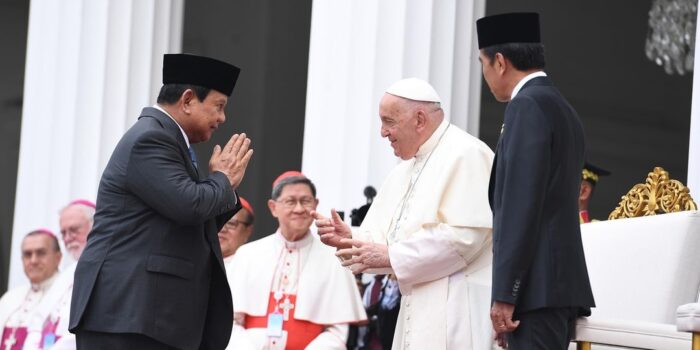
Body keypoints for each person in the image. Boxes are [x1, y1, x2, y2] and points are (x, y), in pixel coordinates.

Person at [69, 53, 253, 350]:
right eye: (218, 107)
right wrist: (222, 179)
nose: (222, 118)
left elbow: (189, 219)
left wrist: (221, 185)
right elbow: (189, 206)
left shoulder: (169, 140)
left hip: (145, 317)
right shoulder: (151, 138)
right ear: (188, 100)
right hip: (129, 316)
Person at [314, 78, 495, 349]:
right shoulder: (404, 170)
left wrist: (392, 256)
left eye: (389, 121)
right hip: (417, 306)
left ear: (419, 120)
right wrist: (350, 237)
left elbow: (464, 238)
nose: (383, 132)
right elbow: (388, 237)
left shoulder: (466, 154)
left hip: (457, 308)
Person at [476, 12, 596, 349]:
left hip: (534, 290)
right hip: (551, 288)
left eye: (483, 63)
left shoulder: (527, 105)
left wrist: (506, 294)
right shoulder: (562, 107)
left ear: (500, 62)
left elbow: (520, 205)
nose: (484, 74)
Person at [227, 171, 367, 350]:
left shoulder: (333, 259)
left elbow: (336, 332)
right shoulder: (248, 254)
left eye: (306, 201)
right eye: (290, 201)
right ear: (273, 207)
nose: (299, 209)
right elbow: (230, 322)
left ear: (316, 205)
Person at [23, 199, 95, 350]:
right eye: (63, 233)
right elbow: (38, 324)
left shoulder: (104, 270)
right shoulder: (66, 274)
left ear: (95, 226)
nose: (68, 238)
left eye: (74, 229)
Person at [0, 230, 62, 350]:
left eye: (41, 253)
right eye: (28, 254)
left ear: (58, 257)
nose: (33, 260)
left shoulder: (67, 295)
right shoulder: (10, 297)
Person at [219, 196, 255, 271]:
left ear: (247, 232)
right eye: (218, 221)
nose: (222, 229)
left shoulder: (251, 268)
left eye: (231, 223)